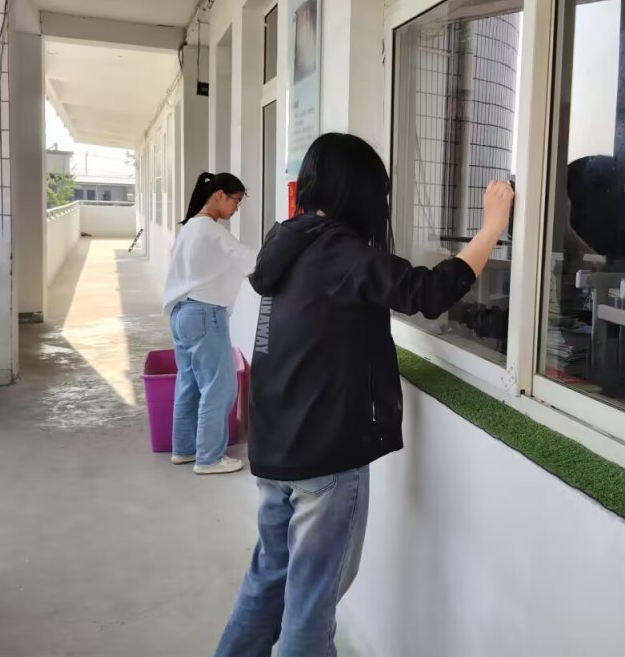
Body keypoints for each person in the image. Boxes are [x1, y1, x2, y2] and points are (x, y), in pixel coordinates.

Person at [215, 133, 514, 657]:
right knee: (311, 607)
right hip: (325, 456)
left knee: (268, 580)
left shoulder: (286, 242)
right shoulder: (340, 251)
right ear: (360, 191)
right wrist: (491, 227)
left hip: (274, 447)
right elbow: (427, 293)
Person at [162, 172, 256, 475]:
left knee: (188, 384)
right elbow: (252, 261)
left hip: (181, 314)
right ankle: (209, 458)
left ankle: (184, 449)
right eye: (236, 201)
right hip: (204, 314)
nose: (236, 208)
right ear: (219, 195)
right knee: (220, 388)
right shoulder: (210, 230)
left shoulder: (190, 227)